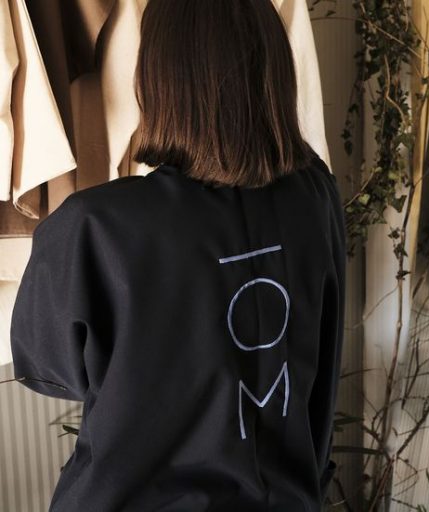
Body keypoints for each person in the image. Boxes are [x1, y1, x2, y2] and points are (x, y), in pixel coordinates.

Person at [10, 1, 345, 510]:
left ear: (156, 76)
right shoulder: (316, 195)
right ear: (275, 67)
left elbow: (53, 371)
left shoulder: (95, 224)